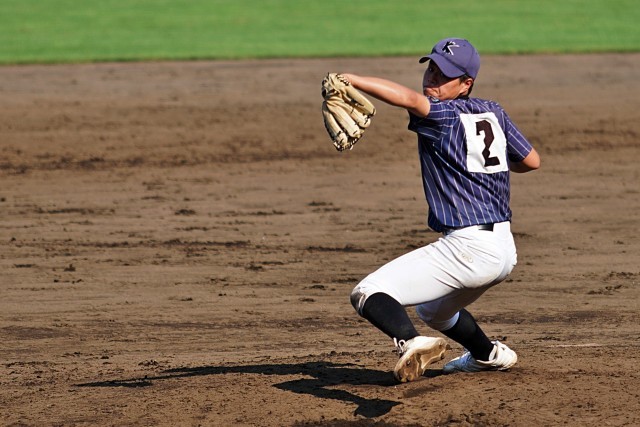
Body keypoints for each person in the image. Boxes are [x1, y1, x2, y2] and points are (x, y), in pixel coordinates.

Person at [342, 38, 540, 383]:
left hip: (468, 248)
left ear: (466, 84)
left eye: (444, 74)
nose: (432, 78)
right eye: (431, 68)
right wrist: (484, 166)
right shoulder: (493, 111)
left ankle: (411, 341)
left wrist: (352, 80)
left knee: (369, 292)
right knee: (435, 311)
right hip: (503, 252)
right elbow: (531, 161)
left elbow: (408, 99)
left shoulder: (444, 115)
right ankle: (487, 355)